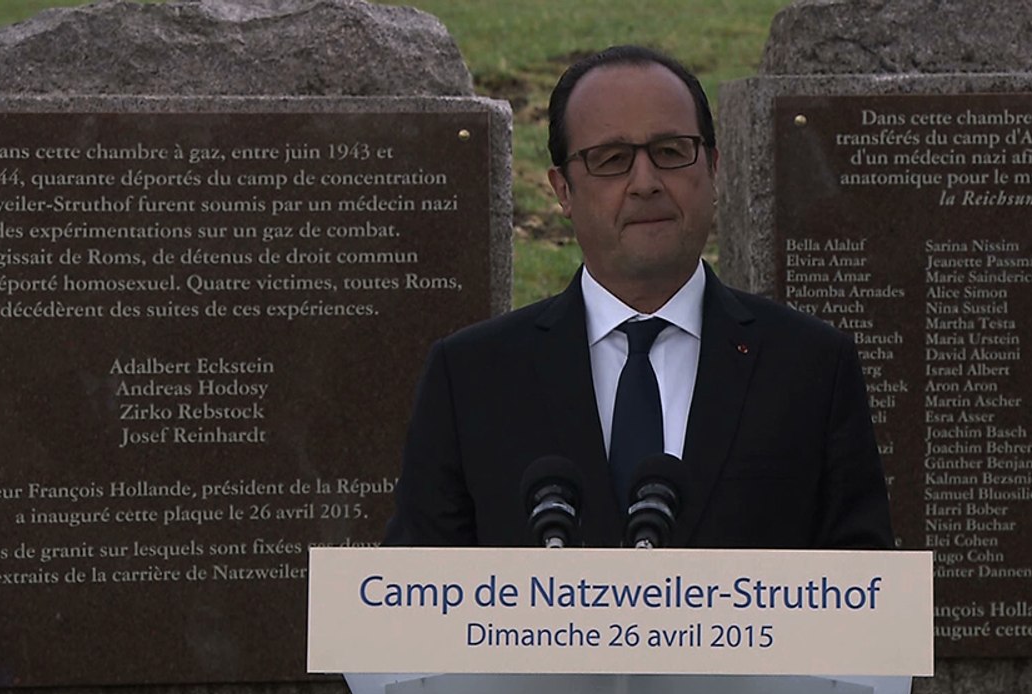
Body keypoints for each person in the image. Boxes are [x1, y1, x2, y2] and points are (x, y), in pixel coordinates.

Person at [383, 45, 893, 549]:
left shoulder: (811, 365)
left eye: (670, 152)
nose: (645, 183)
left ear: (714, 168)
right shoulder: (471, 375)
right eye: (612, 160)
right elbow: (417, 586)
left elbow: (865, 583)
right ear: (563, 190)